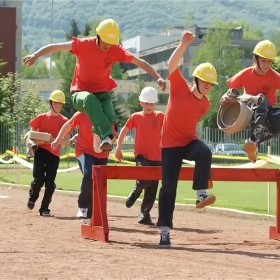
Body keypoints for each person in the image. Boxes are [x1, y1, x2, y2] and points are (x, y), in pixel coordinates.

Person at [23, 18, 166, 154]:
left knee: (110, 116)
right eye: (105, 42)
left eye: (111, 43)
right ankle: (105, 136)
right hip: (80, 93)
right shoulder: (83, 45)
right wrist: (35, 55)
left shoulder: (116, 50)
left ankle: (98, 135)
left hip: (102, 93)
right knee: (89, 99)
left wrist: (157, 77)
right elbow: (56, 47)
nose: (107, 46)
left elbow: (139, 62)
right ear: (98, 35)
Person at [156, 31, 218, 247]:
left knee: (204, 151)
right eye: (205, 82)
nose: (208, 86)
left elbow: (189, 122)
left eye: (211, 84)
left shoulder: (207, 104)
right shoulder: (180, 87)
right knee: (168, 186)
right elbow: (171, 65)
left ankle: (201, 194)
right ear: (196, 81)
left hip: (189, 142)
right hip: (171, 145)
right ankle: (164, 230)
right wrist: (183, 44)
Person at [220, 40, 280, 162]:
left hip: (267, 112)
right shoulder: (245, 74)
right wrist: (225, 96)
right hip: (247, 108)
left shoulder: (275, 77)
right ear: (255, 60)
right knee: (261, 99)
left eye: (269, 61)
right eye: (263, 60)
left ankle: (254, 143)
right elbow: (232, 90)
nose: (267, 65)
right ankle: (252, 138)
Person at [51, 112, 117, 222]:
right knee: (89, 174)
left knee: (97, 183)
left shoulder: (107, 114)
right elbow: (67, 125)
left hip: (101, 153)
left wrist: (104, 144)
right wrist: (57, 140)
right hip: (84, 152)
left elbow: (113, 136)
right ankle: (83, 206)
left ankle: (90, 215)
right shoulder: (81, 114)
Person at [115, 86, 164, 226]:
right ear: (140, 102)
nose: (149, 106)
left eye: (152, 103)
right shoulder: (135, 117)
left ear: (155, 103)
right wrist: (118, 148)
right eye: (146, 103)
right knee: (143, 179)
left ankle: (144, 214)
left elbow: (169, 130)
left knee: (152, 188)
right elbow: (124, 131)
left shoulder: (160, 116)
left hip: (157, 157)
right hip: (141, 155)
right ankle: (135, 193)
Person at [25, 90, 71, 216]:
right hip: (40, 152)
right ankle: (32, 197)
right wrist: (33, 143)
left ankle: (44, 209)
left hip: (54, 155)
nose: (58, 105)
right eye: (55, 103)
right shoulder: (41, 117)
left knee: (50, 184)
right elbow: (30, 135)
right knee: (38, 180)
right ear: (50, 103)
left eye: (60, 103)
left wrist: (52, 139)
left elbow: (67, 141)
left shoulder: (65, 121)